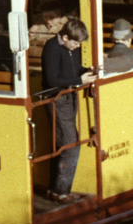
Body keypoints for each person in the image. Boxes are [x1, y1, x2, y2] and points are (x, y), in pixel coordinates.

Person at [40, 17, 94, 202]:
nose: (78, 47)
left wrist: (86, 71)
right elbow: (52, 80)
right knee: (70, 144)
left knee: (62, 143)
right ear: (64, 37)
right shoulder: (52, 49)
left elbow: (73, 69)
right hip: (57, 99)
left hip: (68, 97)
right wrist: (80, 80)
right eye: (75, 43)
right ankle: (61, 192)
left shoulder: (68, 47)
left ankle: (53, 189)